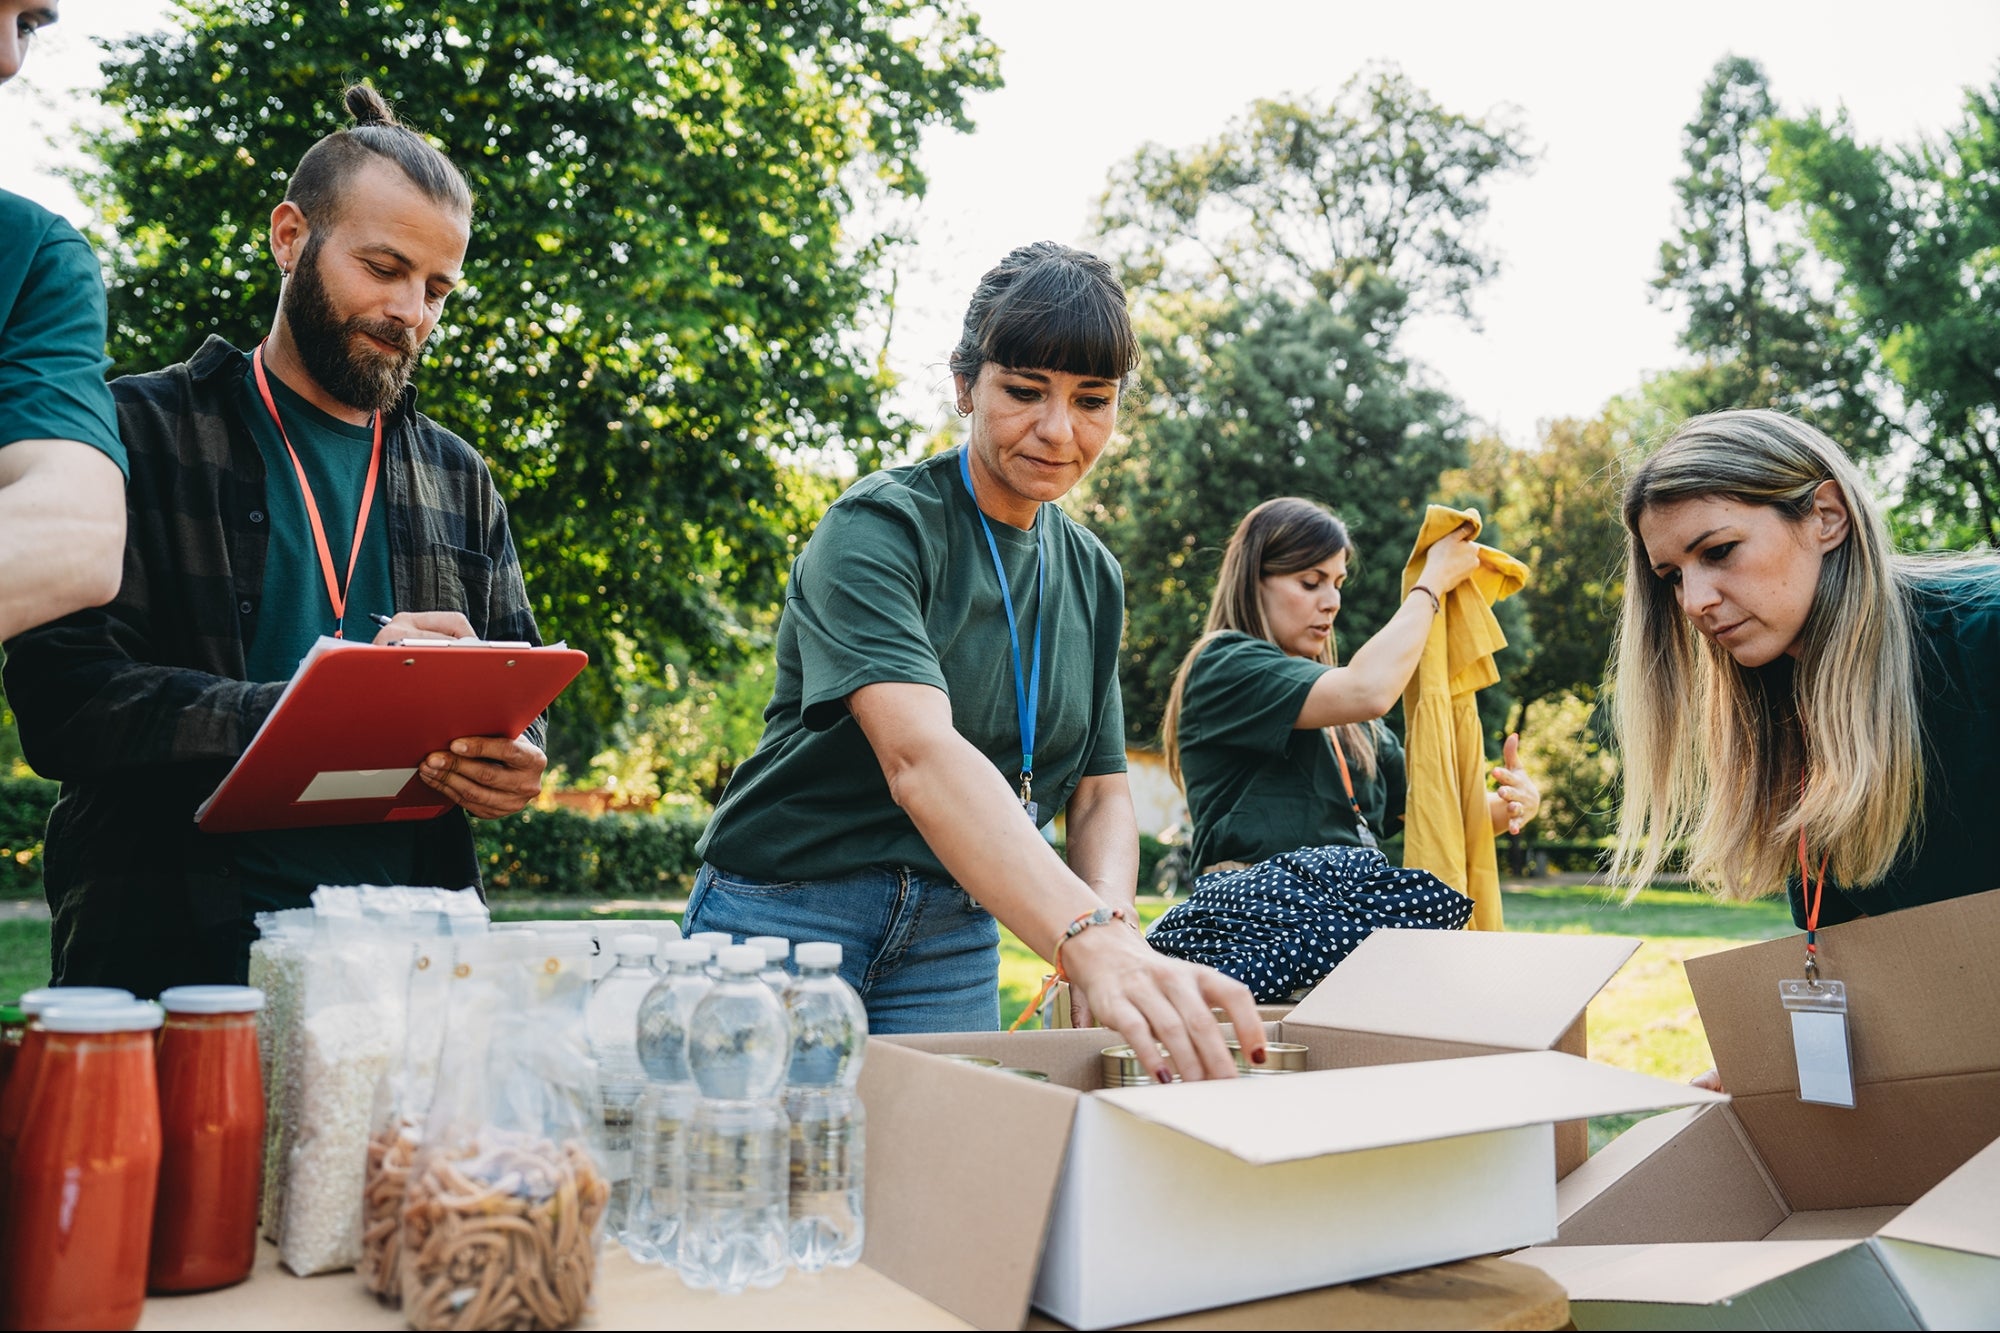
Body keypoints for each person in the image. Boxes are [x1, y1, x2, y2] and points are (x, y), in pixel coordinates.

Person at [3, 85, 547, 997]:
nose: (412, 311)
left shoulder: (462, 476)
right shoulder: (129, 432)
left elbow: (522, 687)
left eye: (437, 288)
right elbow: (67, 704)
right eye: (383, 267)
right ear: (290, 236)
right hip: (173, 966)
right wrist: (313, 712)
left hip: (414, 969)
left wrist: (516, 754)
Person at [688, 241, 1264, 1080]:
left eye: (1091, 400)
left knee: (936, 1187)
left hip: (957, 929)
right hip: (790, 910)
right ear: (965, 385)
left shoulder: (1094, 572)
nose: (1059, 430)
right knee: (762, 1186)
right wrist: (1083, 935)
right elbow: (918, 758)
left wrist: (1111, 924)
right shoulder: (878, 526)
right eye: (1024, 392)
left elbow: (1101, 792)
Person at [1612, 407, 2000, 927]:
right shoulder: (1778, 694)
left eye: (1720, 551)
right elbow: (1849, 944)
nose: (1694, 602)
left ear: (1827, 516)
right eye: (1672, 577)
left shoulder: (1986, 636)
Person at [1145, 498, 1542, 1000]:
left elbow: (1438, 816)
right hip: (1260, 932)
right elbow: (1371, 689)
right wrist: (1430, 586)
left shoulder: (1358, 732)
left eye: (1337, 583)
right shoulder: (1223, 666)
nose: (1330, 601)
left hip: (1358, 936)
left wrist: (1515, 803)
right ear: (1253, 580)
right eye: (1310, 582)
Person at [0, 0, 129, 641]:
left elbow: (76, 537)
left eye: (26, 26)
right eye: (382, 267)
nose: (8, 58)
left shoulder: (30, 254)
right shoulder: (163, 415)